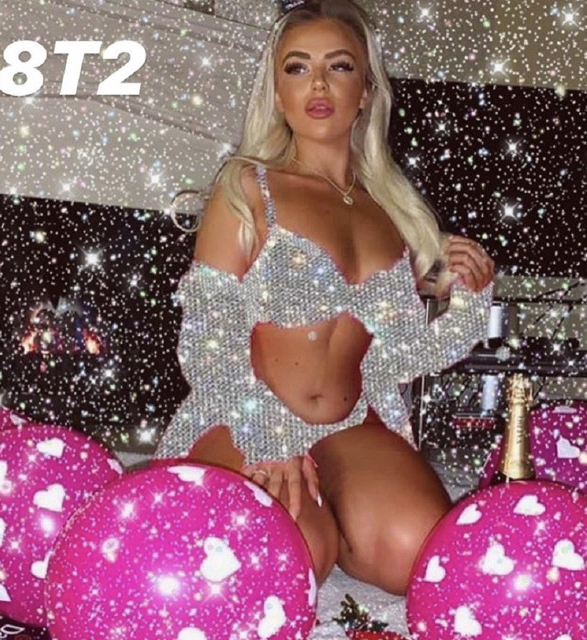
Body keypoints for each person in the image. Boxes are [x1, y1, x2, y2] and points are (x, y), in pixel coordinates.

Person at [154, 0, 494, 596]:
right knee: (287, 556)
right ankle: (319, 521)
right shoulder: (246, 188)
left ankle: (341, 508)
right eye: (296, 67)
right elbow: (207, 341)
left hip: (353, 421)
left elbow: (398, 356)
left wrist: (471, 301)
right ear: (277, 92)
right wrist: (266, 440)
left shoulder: (390, 209)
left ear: (366, 91)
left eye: (338, 66)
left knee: (421, 554)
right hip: (246, 412)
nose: (317, 84)